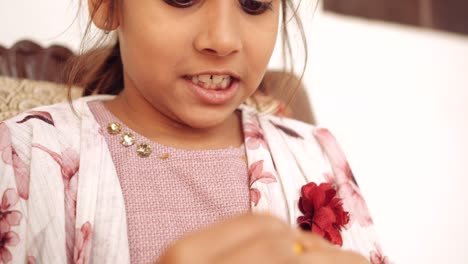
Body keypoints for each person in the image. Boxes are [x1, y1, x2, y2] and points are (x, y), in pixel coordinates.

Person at [0, 0, 389, 263]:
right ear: (106, 3)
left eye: (253, 1)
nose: (222, 40)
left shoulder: (313, 155)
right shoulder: (26, 157)